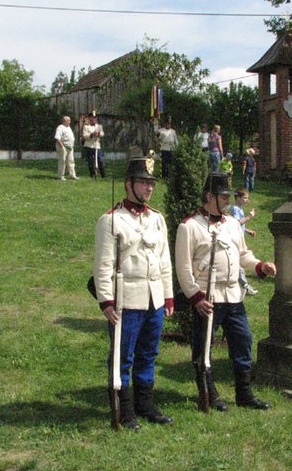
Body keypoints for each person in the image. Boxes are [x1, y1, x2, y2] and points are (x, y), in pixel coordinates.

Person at [175, 172, 277, 411]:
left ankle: (244, 394)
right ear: (209, 196)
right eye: (223, 196)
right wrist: (196, 297)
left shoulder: (231, 223)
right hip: (206, 298)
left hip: (233, 296)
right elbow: (183, 268)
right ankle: (209, 394)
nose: (228, 201)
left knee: (243, 341)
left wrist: (260, 266)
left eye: (228, 196)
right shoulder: (189, 226)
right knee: (204, 348)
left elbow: (243, 254)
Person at [93, 157, 174, 429]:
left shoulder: (157, 219)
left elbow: (164, 260)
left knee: (148, 354)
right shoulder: (111, 220)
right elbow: (103, 265)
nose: (149, 188)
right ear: (128, 184)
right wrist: (106, 301)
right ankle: (125, 410)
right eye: (143, 182)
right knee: (122, 356)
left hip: (154, 298)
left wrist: (168, 295)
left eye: (151, 183)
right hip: (126, 301)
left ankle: (145, 404)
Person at [231, 188, 258, 295]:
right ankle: (244, 286)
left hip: (240, 238)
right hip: (236, 240)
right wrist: (249, 217)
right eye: (245, 198)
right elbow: (237, 223)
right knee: (239, 263)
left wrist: (248, 231)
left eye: (247, 198)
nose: (247, 200)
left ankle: (242, 285)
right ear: (238, 198)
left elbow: (239, 225)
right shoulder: (235, 209)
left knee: (239, 262)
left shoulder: (239, 208)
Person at [54, 116, 78, 181]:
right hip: (63, 147)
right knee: (62, 161)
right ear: (64, 121)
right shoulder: (60, 127)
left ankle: (72, 175)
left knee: (71, 161)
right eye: (68, 120)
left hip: (70, 147)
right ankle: (61, 176)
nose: (69, 122)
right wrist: (62, 147)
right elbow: (57, 137)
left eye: (69, 120)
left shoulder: (68, 127)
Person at [83, 111, 105, 179]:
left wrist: (99, 134)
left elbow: (102, 134)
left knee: (100, 159)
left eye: (94, 118)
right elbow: (84, 135)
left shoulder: (99, 126)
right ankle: (92, 174)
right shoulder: (86, 126)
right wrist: (91, 135)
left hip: (97, 145)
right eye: (92, 118)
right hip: (89, 145)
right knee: (90, 160)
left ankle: (102, 174)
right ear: (90, 118)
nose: (93, 119)